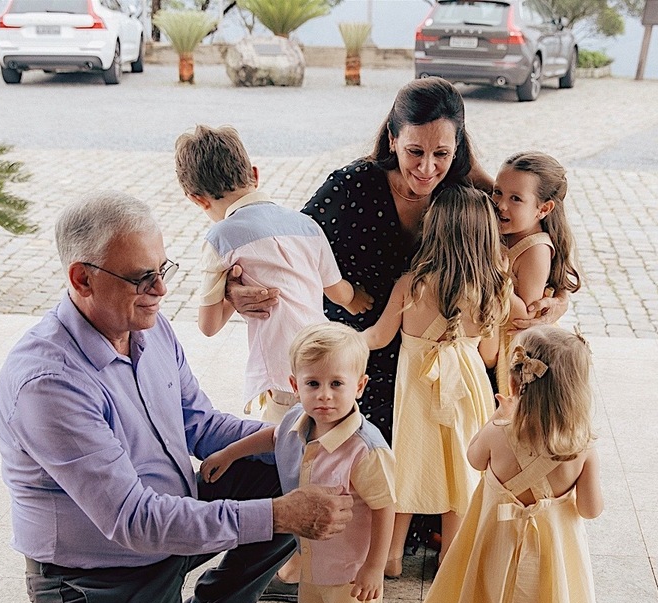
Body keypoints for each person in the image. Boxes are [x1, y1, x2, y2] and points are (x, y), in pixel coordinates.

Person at [0, 191, 354, 603]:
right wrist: (278, 515)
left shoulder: (147, 327)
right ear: (82, 279)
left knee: (289, 465)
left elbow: (201, 424)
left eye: (163, 271)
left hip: (171, 517)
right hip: (101, 575)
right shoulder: (46, 382)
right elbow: (134, 519)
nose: (161, 291)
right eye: (142, 278)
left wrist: (309, 433)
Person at [227, 77, 566, 574]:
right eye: (414, 151)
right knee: (331, 451)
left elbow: (534, 234)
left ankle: (401, 539)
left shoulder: (470, 193)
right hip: (359, 347)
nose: (427, 168)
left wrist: (553, 300)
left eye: (442, 154)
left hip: (424, 362)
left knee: (421, 462)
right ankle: (310, 550)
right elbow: (287, 247)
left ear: (459, 148)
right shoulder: (350, 186)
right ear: (391, 137)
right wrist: (236, 290)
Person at [199, 323, 396, 603]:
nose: (324, 395)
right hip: (318, 555)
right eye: (313, 383)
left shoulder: (365, 449)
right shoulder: (299, 419)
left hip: (350, 565)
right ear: (294, 384)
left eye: (336, 384)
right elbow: (273, 437)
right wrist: (229, 452)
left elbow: (385, 507)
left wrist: (374, 566)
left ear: (359, 385)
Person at [420, 326, 603, 603]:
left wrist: (495, 419)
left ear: (517, 378)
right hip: (554, 559)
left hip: (499, 551)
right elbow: (592, 509)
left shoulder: (499, 431)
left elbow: (473, 459)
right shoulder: (580, 445)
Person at [174, 124, 372, 423]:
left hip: (285, 369)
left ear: (197, 199)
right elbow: (338, 291)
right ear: (254, 174)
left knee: (285, 448)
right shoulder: (305, 224)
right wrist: (359, 299)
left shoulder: (220, 239)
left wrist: (229, 292)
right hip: (324, 356)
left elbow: (209, 325)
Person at [360, 184, 508, 575]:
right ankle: (450, 557)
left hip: (417, 393)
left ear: (433, 228)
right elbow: (490, 354)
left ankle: (391, 557)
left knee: (410, 464)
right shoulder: (492, 289)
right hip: (467, 388)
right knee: (462, 465)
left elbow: (378, 338)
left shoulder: (411, 285)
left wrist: (339, 341)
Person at [491, 151, 582, 392]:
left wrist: (492, 275)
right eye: (498, 192)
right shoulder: (506, 233)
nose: (501, 205)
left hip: (515, 345)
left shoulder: (535, 249)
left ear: (543, 209)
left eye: (516, 199)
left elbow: (525, 316)